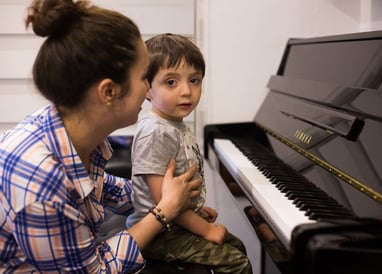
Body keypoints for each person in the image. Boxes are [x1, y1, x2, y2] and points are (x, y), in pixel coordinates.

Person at [0, 1, 202, 273]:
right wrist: (163, 212)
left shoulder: (67, 129)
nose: (148, 89)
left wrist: (160, 195)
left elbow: (96, 186)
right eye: (145, 77)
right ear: (108, 92)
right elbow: (95, 270)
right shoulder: (42, 185)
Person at [126, 33, 252, 274]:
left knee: (238, 245)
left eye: (194, 80)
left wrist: (195, 209)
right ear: (148, 89)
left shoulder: (174, 123)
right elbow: (163, 202)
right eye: (171, 82)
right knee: (238, 263)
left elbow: (176, 192)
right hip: (161, 234)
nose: (186, 91)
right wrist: (206, 230)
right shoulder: (156, 132)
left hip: (176, 221)